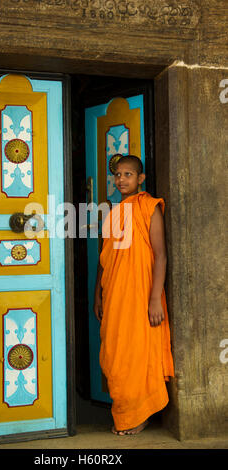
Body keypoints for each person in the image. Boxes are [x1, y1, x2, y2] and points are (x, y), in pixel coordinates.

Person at [93, 154, 174, 436]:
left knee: (137, 353)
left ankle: (138, 415)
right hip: (115, 295)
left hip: (141, 294)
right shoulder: (113, 213)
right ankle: (126, 411)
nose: (121, 179)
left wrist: (155, 299)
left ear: (140, 179)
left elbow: (160, 255)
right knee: (114, 354)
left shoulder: (149, 208)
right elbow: (104, 259)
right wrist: (98, 296)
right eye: (117, 175)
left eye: (128, 174)